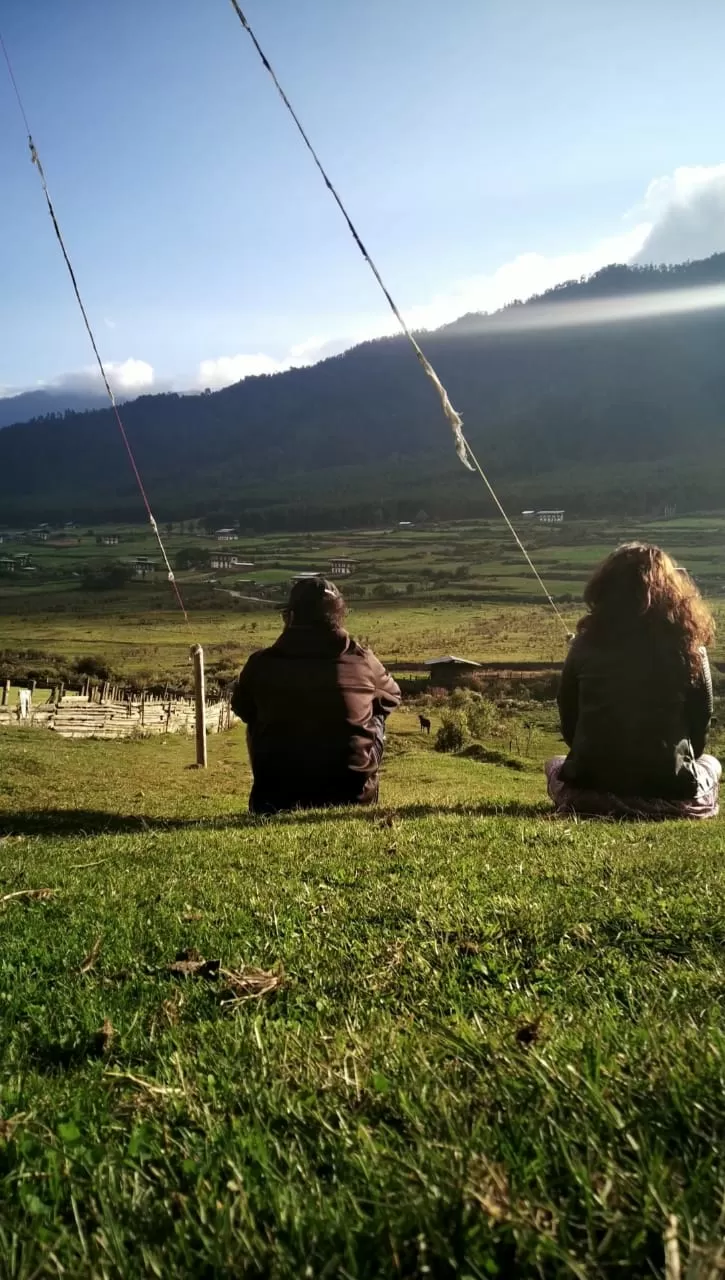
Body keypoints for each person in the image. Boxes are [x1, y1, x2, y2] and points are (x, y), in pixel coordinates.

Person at [545, 543, 721, 819]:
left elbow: (569, 722)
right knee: (712, 764)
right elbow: (700, 729)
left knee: (553, 764)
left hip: (589, 786)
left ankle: (597, 803)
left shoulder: (584, 644)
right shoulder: (690, 648)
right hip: (672, 789)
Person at [231, 577, 401, 814]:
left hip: (277, 800)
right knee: (376, 710)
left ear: (290, 617)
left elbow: (242, 708)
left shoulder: (260, 663)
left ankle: (266, 796)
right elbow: (393, 696)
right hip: (352, 797)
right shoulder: (363, 660)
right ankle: (364, 789)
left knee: (255, 719)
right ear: (339, 617)